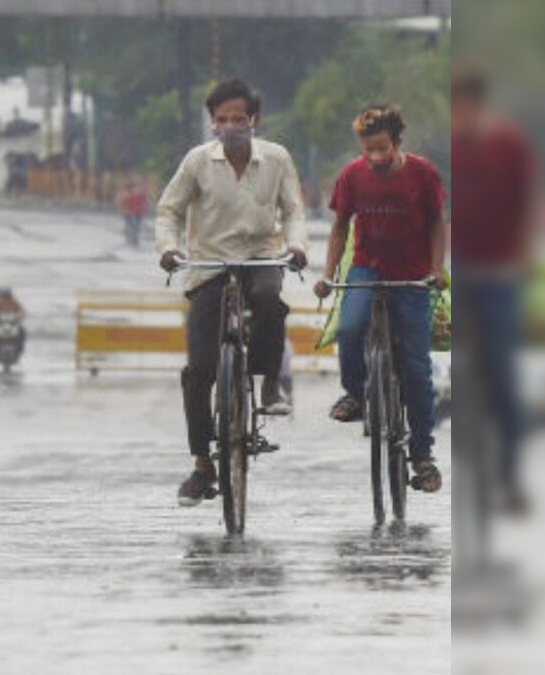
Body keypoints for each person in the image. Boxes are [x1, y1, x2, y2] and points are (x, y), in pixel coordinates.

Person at [155, 80, 308, 507]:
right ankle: (203, 464)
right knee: (198, 369)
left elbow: (294, 210)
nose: (230, 127)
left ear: (254, 121)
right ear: (212, 124)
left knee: (270, 304)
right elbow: (169, 210)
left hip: (262, 256)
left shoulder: (276, 158)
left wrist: (296, 246)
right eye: (221, 120)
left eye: (238, 119)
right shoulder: (197, 162)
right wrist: (168, 248)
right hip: (209, 263)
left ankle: (269, 381)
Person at [313, 104, 447, 494]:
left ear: (398, 143)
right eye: (368, 149)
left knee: (418, 371)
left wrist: (436, 269)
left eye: (382, 149)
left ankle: (422, 457)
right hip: (367, 268)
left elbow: (439, 223)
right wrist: (327, 275)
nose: (374, 157)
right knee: (351, 328)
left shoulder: (422, 173)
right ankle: (355, 392)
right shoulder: (351, 176)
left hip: (412, 274)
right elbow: (339, 227)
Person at [450, 66, 536, 512]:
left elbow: (527, 199)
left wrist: (521, 254)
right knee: (456, 365)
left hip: (500, 270)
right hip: (460, 267)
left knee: (502, 375)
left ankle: (508, 477)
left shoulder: (508, 143)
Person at [0, 286, 27, 355]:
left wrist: (20, 317)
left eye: (8, 296)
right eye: (5, 296)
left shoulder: (14, 302)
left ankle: (20, 347)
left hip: (12, 322)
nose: (7, 298)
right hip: (1, 323)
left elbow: (22, 311)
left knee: (22, 331)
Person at [118, 179, 149, 247]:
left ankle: (134, 239)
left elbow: (144, 202)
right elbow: (123, 203)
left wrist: (145, 209)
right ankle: (131, 238)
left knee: (136, 226)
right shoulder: (127, 195)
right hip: (130, 213)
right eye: (135, 188)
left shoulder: (140, 194)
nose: (136, 189)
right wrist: (124, 210)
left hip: (137, 213)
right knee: (132, 226)